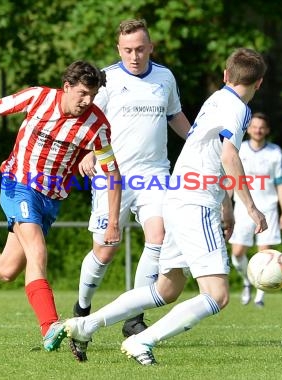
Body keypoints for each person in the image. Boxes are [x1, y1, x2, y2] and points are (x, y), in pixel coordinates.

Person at [62, 47, 268, 365]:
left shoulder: (216, 100)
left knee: (166, 289)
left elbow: (211, 156)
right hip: (196, 204)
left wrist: (226, 203)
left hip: (177, 198)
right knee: (217, 295)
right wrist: (250, 208)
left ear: (227, 76)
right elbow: (228, 157)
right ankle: (142, 341)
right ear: (260, 83)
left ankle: (85, 325)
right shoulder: (239, 109)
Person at [0, 60, 122, 352]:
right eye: (82, 93)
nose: (87, 101)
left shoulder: (96, 125)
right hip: (17, 184)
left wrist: (114, 222)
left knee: (8, 269)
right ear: (66, 87)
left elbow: (113, 174)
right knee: (37, 251)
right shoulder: (38, 97)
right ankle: (50, 328)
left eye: (92, 95)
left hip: (51, 199)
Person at [72, 17, 191, 348]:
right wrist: (87, 153)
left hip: (154, 174)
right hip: (113, 176)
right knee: (106, 250)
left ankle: (134, 319)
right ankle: (81, 308)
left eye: (140, 49)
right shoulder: (107, 79)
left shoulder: (165, 77)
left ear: (150, 47)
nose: (134, 56)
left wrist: (197, 138)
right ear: (118, 50)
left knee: (158, 236)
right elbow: (86, 119)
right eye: (127, 50)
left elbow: (175, 116)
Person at [229, 112, 282, 308]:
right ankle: (248, 281)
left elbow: (281, 183)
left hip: (268, 208)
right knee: (238, 252)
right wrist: (226, 207)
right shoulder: (239, 150)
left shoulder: (275, 152)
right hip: (243, 207)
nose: (258, 130)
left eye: (262, 127)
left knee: (265, 254)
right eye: (254, 126)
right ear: (248, 128)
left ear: (267, 130)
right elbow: (232, 180)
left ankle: (259, 296)